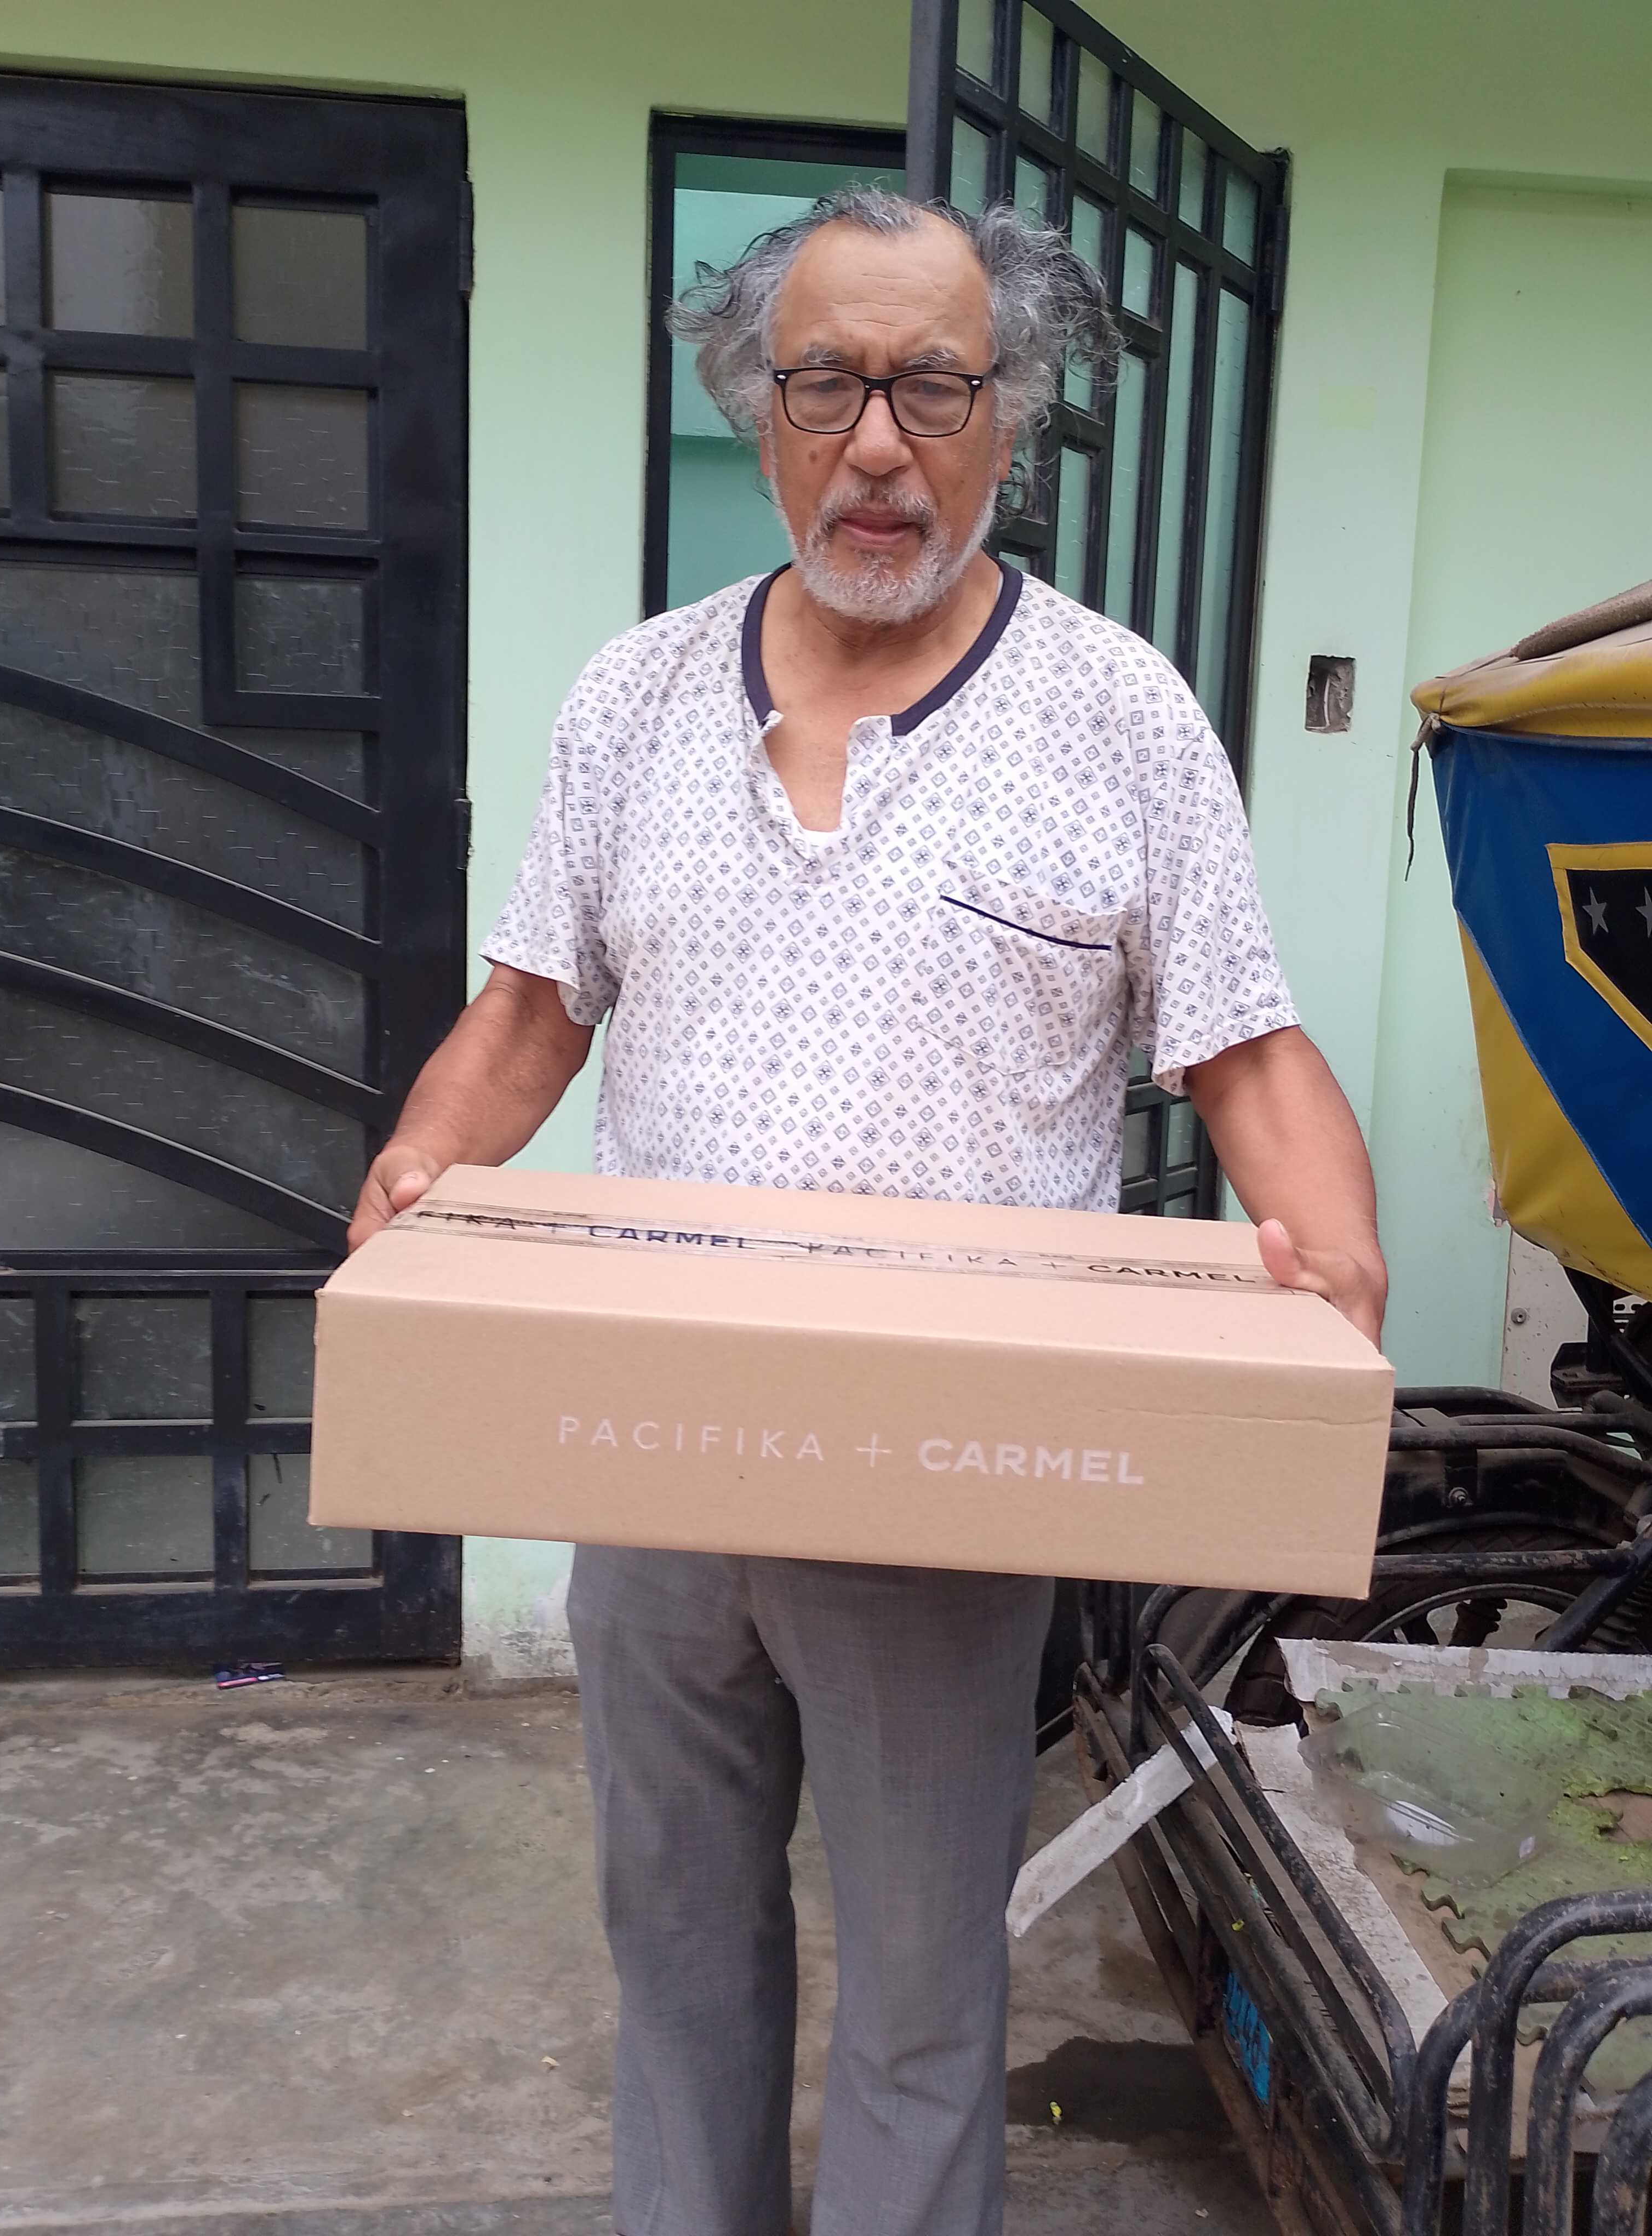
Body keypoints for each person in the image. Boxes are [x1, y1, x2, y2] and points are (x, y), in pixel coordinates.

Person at [348, 187, 1387, 2236]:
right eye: (826, 386)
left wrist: (1335, 1279)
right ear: (759, 410)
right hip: (652, 1456)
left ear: (1015, 415)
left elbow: (1247, 1051)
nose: (880, 445)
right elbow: (534, 1010)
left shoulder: (1120, 718)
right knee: (676, 1954)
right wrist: (415, 1178)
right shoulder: (635, 698)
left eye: (935, 387)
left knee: (921, 1998)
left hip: (951, 1488)